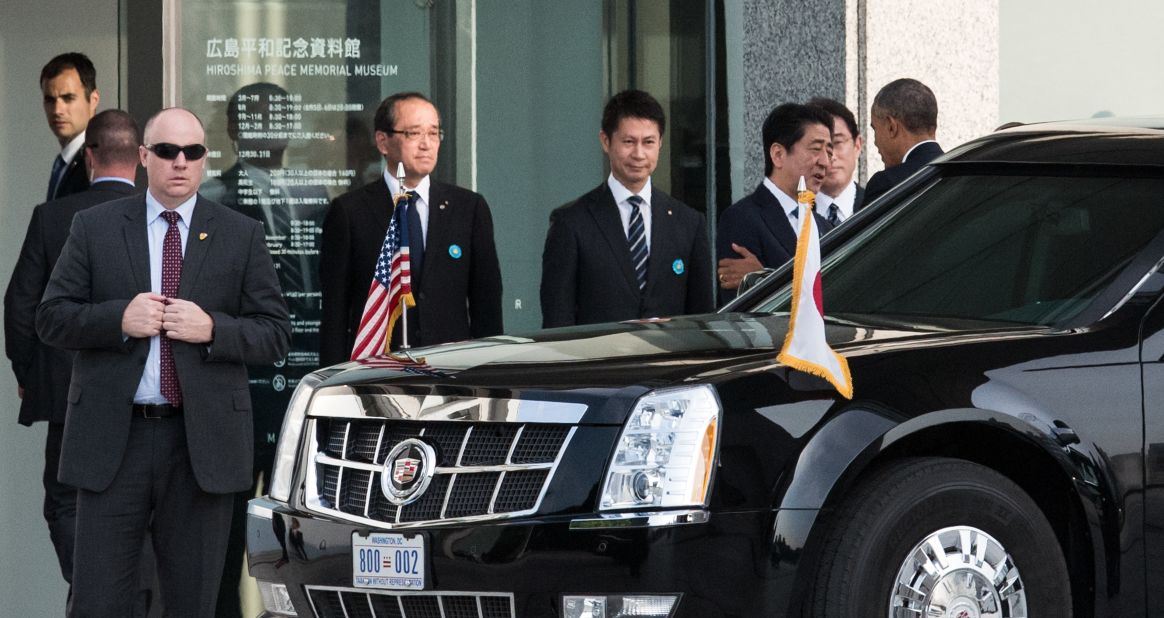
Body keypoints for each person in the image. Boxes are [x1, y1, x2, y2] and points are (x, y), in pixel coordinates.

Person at [36, 107, 291, 616]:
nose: (180, 162)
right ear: (143, 156)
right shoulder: (96, 226)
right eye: (168, 151)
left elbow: (275, 334)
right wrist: (117, 319)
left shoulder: (240, 234)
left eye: (193, 152)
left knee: (194, 602)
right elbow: (51, 318)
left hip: (199, 447)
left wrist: (213, 329)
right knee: (99, 601)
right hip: (116, 440)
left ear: (204, 160)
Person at [200, 81, 331, 617]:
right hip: (236, 382)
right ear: (233, 131)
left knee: (304, 534)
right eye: (256, 120)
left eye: (279, 119)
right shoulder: (211, 199)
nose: (269, 131)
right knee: (226, 535)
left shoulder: (314, 197)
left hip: (303, 377)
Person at [5, 109, 140, 593]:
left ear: (89, 157)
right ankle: (131, 595)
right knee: (136, 501)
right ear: (140, 159)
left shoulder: (53, 216)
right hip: (142, 398)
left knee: (66, 500)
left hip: (68, 394)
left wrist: (29, 370)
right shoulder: (160, 219)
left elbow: (20, 304)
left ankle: (91, 589)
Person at [320, 92, 503, 365]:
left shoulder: (468, 208)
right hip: (378, 371)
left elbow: (486, 305)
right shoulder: (350, 212)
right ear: (383, 142)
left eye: (434, 133)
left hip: (452, 370)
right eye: (414, 133)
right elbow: (335, 313)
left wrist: (490, 374)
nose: (426, 144)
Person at [540, 89, 713, 327]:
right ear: (605, 141)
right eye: (628, 142)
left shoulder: (689, 223)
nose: (639, 154)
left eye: (648, 142)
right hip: (600, 361)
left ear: (660, 143)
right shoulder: (571, 222)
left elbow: (701, 318)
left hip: (669, 361)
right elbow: (557, 317)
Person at [716, 103, 835, 302]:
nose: (825, 162)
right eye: (815, 149)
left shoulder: (824, 226)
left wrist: (764, 278)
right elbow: (741, 309)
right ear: (778, 155)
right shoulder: (742, 218)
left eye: (829, 152)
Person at [863, 78, 944, 204]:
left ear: (891, 127)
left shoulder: (887, 184)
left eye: (875, 129)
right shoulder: (966, 174)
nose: (875, 142)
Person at [41, 52, 100, 201]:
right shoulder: (64, 161)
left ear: (93, 100)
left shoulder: (98, 161)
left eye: (68, 98)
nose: (57, 110)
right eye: (50, 100)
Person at [808, 97, 865, 223]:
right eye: (817, 147)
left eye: (837, 142)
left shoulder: (877, 206)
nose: (831, 157)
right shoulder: (790, 214)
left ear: (857, 146)